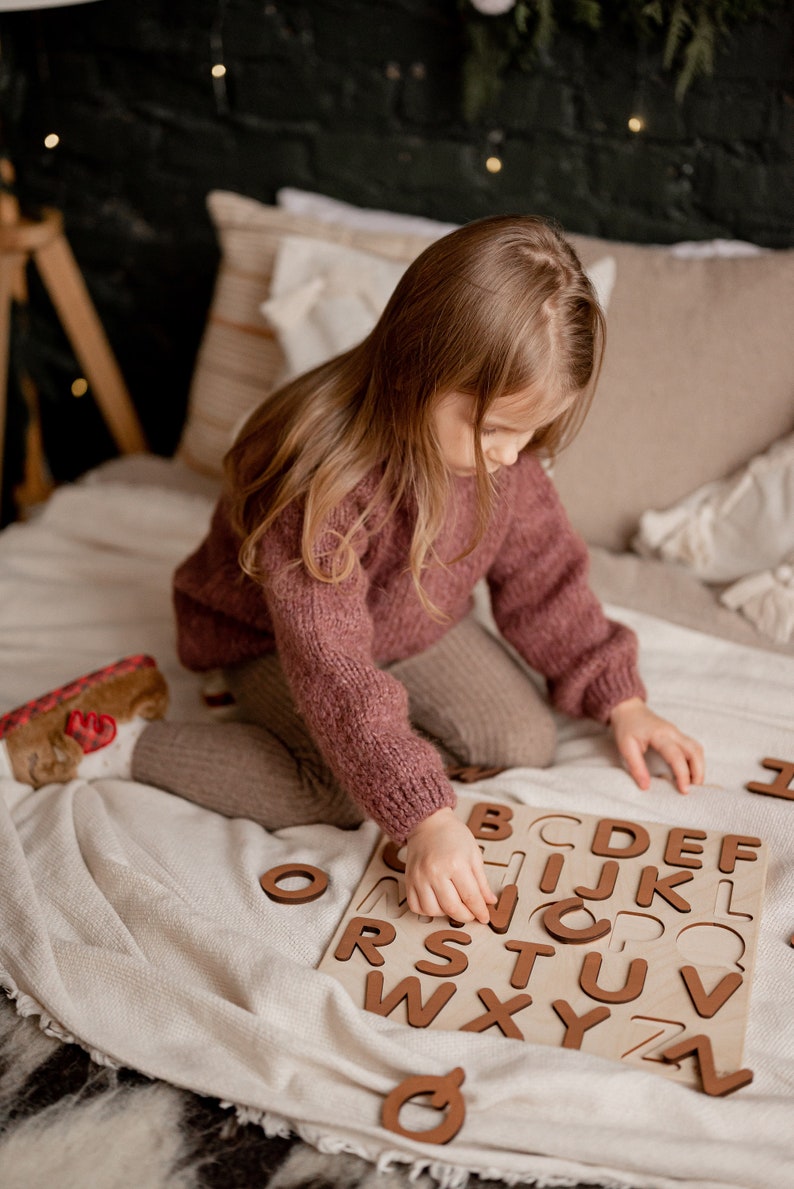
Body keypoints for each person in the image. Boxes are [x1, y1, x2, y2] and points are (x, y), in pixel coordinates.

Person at [0, 215, 704, 926]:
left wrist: (621, 697)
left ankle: (365, 740)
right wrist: (425, 816)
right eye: (493, 428)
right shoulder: (320, 475)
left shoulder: (507, 462)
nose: (510, 453)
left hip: (412, 619)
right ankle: (120, 740)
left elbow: (544, 574)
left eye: (530, 432)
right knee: (344, 789)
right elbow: (333, 664)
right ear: (416, 365)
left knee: (520, 740)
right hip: (276, 638)